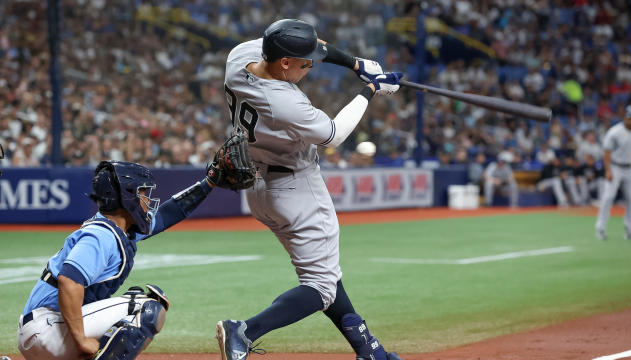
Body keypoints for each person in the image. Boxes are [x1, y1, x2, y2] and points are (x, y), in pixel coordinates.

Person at [217, 19, 403, 360]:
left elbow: (300, 43)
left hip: (258, 185)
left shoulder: (239, 55)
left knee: (325, 275)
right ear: (284, 62)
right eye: (305, 63)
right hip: (295, 187)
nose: (312, 65)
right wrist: (370, 89)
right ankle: (244, 331)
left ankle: (369, 349)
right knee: (320, 286)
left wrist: (356, 64)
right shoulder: (283, 102)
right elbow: (335, 134)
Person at [17, 160, 221, 360]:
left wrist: (209, 181)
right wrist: (81, 339)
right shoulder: (101, 236)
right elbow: (69, 281)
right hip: (47, 329)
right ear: (127, 197)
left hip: (47, 330)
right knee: (145, 309)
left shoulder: (118, 229)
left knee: (134, 301)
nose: (147, 200)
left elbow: (168, 214)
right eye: (142, 193)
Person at [595, 105, 631, 240]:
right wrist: (608, 170)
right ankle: (600, 229)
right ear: (624, 118)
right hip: (616, 167)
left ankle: (630, 230)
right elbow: (607, 152)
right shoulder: (615, 132)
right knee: (608, 197)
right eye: (628, 118)